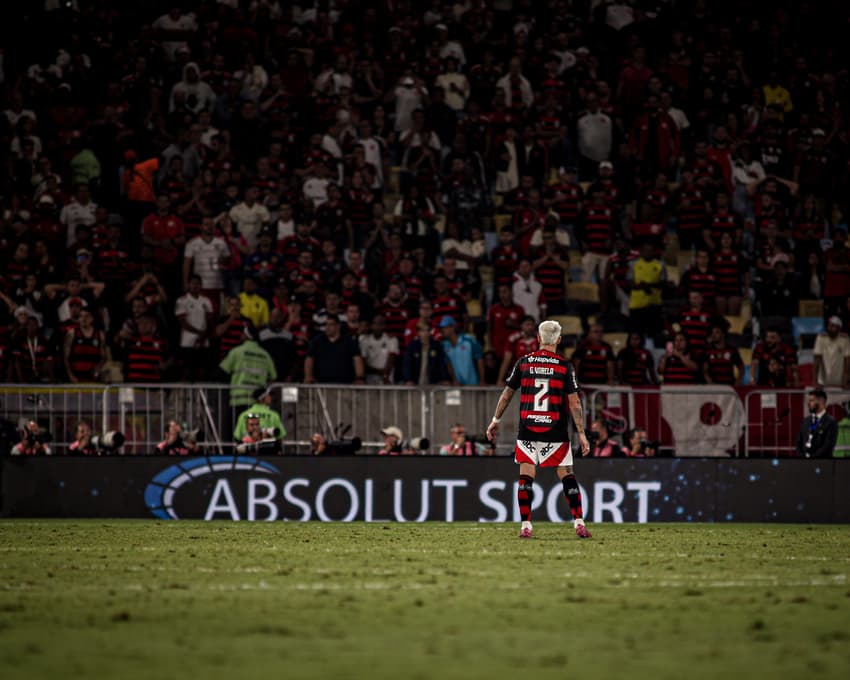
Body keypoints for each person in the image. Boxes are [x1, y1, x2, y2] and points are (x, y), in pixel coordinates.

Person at [486, 319, 592, 539]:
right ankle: (579, 523)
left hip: (528, 428)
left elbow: (507, 394)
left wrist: (495, 420)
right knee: (567, 475)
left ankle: (526, 525)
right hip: (555, 430)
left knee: (526, 476)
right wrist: (581, 433)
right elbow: (574, 403)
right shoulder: (564, 366)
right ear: (559, 340)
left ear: (538, 339)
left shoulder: (524, 362)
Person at [304, 316, 365, 384]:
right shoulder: (317, 341)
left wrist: (360, 377)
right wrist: (308, 376)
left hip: (345, 383)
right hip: (322, 383)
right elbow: (309, 359)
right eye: (326, 325)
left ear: (338, 326)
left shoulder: (349, 341)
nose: (327, 327)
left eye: (331, 325)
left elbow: (357, 359)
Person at [440, 316, 484, 386]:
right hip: (458, 386)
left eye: (445, 327)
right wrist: (454, 380)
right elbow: (449, 365)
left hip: (474, 384)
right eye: (441, 328)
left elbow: (479, 360)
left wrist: (482, 380)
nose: (442, 330)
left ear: (453, 327)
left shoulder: (468, 340)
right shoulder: (445, 345)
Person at [795, 389, 838, 458]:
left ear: (821, 401)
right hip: (803, 463)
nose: (808, 403)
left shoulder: (831, 422)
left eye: (812, 400)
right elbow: (798, 442)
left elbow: (828, 446)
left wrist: (812, 458)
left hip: (822, 462)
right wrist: (802, 457)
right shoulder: (805, 421)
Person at [813, 316, 850, 388]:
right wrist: (815, 381)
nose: (830, 328)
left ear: (839, 328)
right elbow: (817, 360)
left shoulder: (845, 339)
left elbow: (847, 362)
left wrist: (846, 381)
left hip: (840, 382)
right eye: (829, 326)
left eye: (833, 326)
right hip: (822, 382)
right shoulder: (821, 338)